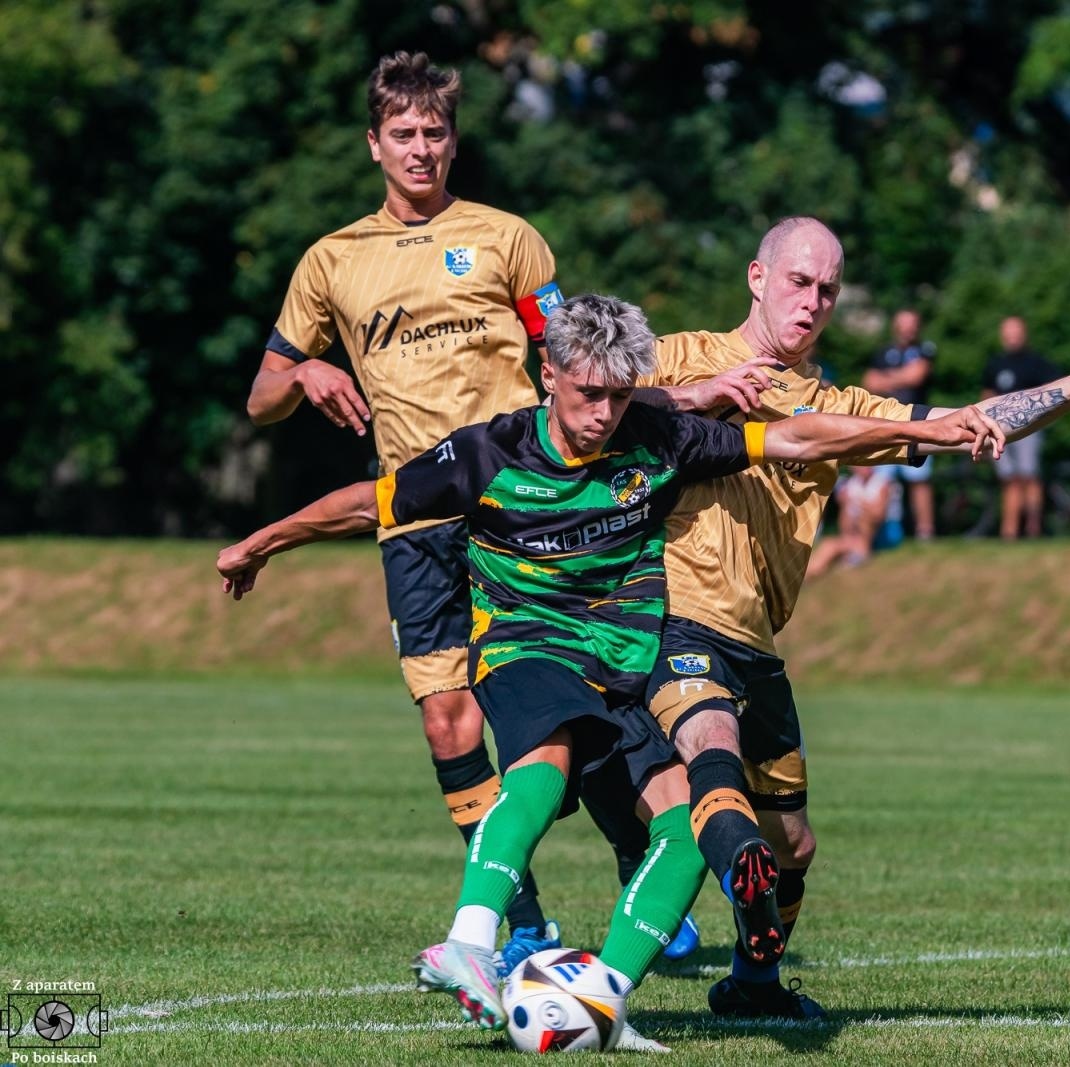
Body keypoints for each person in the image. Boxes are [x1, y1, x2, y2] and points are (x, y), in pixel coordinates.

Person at [217, 294, 1003, 1035]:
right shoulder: (488, 452)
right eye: (589, 393)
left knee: (690, 824)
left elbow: (794, 435)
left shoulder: (658, 439)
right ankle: (469, 937)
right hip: (525, 642)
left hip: (628, 661)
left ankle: (600, 999)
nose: (603, 415)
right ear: (548, 375)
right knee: (549, 757)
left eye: (620, 397)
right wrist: (261, 542)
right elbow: (367, 502)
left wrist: (937, 433)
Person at [239, 51, 736, 973]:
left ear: (454, 141)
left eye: (435, 133)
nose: (420, 149)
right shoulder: (330, 261)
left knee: (559, 710)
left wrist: (683, 397)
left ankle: (640, 866)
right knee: (449, 725)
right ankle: (525, 923)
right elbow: (261, 397)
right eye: (403, 134)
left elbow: (578, 359)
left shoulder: (509, 239)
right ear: (373, 145)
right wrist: (305, 369)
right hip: (421, 519)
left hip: (525, 507)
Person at [636, 217, 1070, 1019]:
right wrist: (691, 396)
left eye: (828, 290)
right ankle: (611, 950)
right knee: (713, 746)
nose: (813, 302)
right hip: (669, 615)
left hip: (754, 637)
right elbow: (584, 403)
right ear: (757, 277)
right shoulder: (676, 354)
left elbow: (969, 419)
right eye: (800, 282)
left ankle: (753, 984)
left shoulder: (837, 405)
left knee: (795, 844)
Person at [981, 316, 1062, 539]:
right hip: (999, 430)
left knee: (1029, 476)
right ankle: (1009, 531)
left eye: (1016, 332)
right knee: (1009, 480)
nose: (1012, 337)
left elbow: (1053, 391)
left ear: (1024, 334)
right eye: (1008, 332)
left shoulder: (1036, 363)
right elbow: (986, 396)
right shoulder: (995, 364)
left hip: (1029, 429)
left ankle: (1033, 528)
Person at [863, 309, 937, 540]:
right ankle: (881, 532)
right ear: (896, 326)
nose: (908, 328)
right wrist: (901, 377)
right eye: (903, 323)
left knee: (919, 480)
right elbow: (869, 382)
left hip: (918, 422)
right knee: (883, 480)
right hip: (887, 422)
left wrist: (887, 380)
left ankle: (925, 530)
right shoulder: (884, 351)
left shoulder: (925, 350)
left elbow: (917, 376)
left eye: (912, 323)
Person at [805, 465, 900, 578]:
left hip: (884, 532)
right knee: (828, 545)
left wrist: (860, 504)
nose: (865, 467)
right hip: (856, 534)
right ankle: (807, 575)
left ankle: (862, 552)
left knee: (865, 516)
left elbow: (879, 516)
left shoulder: (883, 483)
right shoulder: (850, 485)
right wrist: (845, 505)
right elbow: (844, 525)